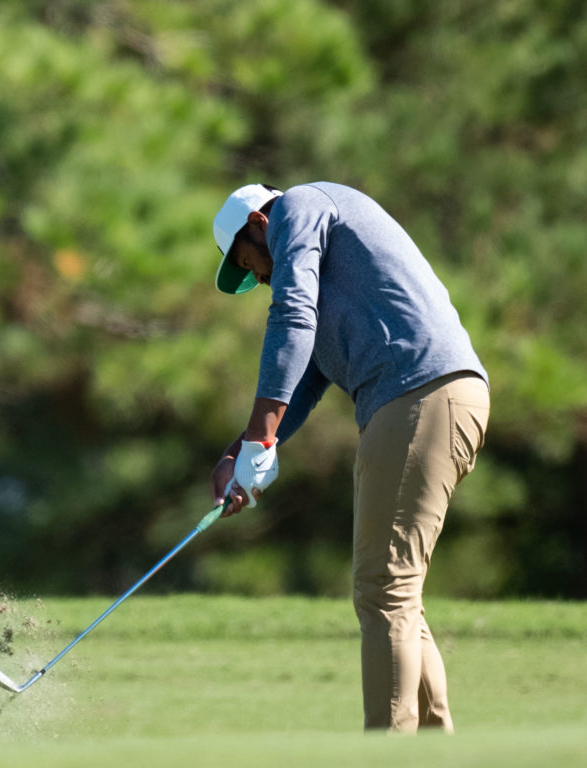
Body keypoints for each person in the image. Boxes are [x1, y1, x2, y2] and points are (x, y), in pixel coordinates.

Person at [208, 181, 490, 733]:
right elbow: (302, 384)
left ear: (259, 224)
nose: (260, 279)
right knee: (397, 593)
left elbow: (291, 316)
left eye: (250, 264)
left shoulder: (300, 205)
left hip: (420, 395)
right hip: (425, 400)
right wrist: (238, 453)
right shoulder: (324, 283)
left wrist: (260, 439)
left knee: (385, 588)